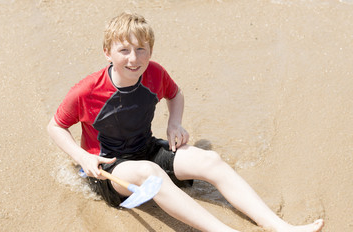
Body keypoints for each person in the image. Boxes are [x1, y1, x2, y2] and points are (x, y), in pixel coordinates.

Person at [47, 12, 324, 232]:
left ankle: (279, 226)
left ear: (151, 51)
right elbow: (56, 126)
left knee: (210, 160)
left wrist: (175, 124)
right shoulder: (87, 91)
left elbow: (175, 94)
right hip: (110, 169)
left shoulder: (154, 73)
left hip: (146, 149)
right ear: (107, 52)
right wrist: (82, 157)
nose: (134, 59)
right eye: (124, 50)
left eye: (141, 49)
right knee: (150, 173)